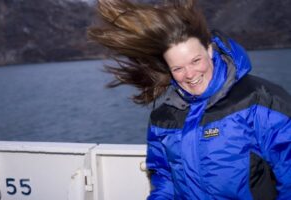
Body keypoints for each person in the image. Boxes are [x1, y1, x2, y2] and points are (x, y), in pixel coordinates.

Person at [88, 0, 291, 199]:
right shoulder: (164, 118)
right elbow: (165, 179)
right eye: (178, 68)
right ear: (169, 69)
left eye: (195, 60)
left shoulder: (259, 101)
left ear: (209, 50)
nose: (190, 74)